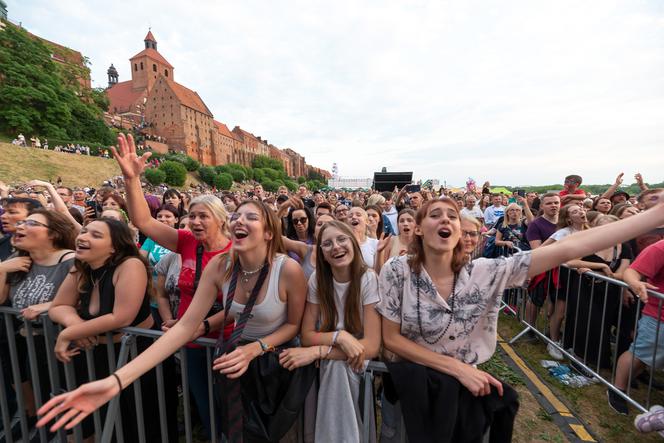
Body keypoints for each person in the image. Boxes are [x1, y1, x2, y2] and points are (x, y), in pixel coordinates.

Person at [373, 195, 664, 442]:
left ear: (460, 231)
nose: (445, 220)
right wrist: (456, 368)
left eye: (452, 216)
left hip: (465, 391)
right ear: (421, 229)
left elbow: (569, 248)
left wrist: (654, 216)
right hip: (410, 388)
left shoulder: (486, 272)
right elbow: (391, 337)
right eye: (435, 215)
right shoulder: (397, 271)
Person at [39, 199, 318, 443]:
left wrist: (255, 348)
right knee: (237, 431)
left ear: (269, 232)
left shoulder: (288, 270)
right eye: (236, 217)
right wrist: (116, 381)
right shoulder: (220, 267)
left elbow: (293, 325)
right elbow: (184, 327)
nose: (240, 221)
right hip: (234, 361)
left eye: (251, 217)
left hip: (276, 364)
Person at [48, 218, 163, 441]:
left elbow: (122, 316)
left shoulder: (131, 264)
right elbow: (58, 306)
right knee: (105, 423)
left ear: (115, 246)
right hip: (96, 355)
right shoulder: (81, 267)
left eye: (96, 235)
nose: (83, 237)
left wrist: (69, 333)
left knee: (141, 423)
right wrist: (78, 327)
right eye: (84, 232)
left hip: (135, 355)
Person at [279, 221, 381, 442]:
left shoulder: (368, 279)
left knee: (338, 371)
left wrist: (319, 351)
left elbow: (371, 346)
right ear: (322, 253)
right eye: (327, 244)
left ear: (353, 243)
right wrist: (339, 337)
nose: (336, 246)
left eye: (342, 239)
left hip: (354, 364)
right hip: (332, 363)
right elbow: (306, 335)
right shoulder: (318, 280)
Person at [0, 209, 75, 433]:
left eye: (30, 223)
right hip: (27, 343)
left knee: (62, 395)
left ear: (52, 233)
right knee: (40, 393)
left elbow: (82, 299)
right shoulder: (18, 260)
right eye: (20, 222)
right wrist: (2, 269)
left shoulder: (69, 259)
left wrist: (48, 306)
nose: (21, 226)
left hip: (59, 344)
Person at [609, 238, 664, 415]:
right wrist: (635, 283)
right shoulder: (660, 248)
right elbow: (632, 272)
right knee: (639, 356)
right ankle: (618, 390)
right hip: (658, 316)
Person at [541, 204, 589, 360]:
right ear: (568, 219)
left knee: (576, 312)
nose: (580, 211)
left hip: (585, 276)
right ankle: (553, 342)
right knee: (560, 312)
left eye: (581, 209)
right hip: (566, 275)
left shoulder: (592, 231)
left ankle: (571, 343)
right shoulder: (563, 232)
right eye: (575, 211)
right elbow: (542, 249)